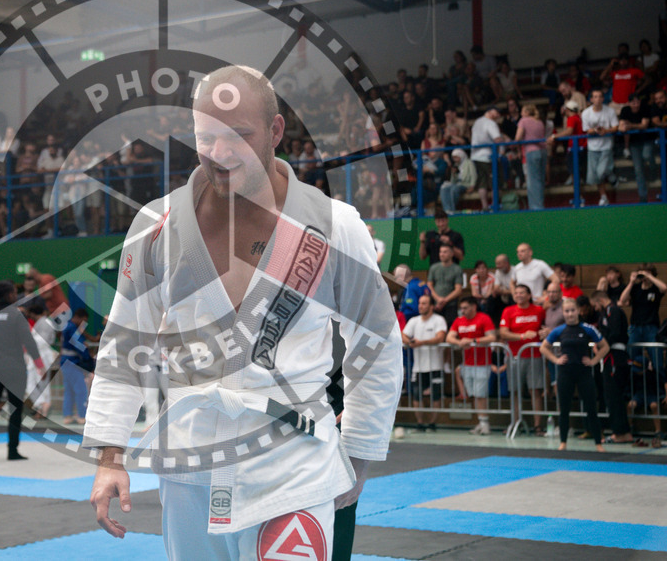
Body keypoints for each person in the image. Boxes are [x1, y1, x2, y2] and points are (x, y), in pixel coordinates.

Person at [83, 65, 401, 559]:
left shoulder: (334, 226)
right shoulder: (156, 226)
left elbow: (377, 342)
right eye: (205, 137)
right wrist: (110, 454)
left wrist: (359, 451)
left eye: (238, 135)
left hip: (293, 461)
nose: (219, 152)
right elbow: (125, 342)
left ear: (275, 131)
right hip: (188, 464)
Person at [0, 280, 43, 461]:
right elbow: (28, 340)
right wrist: (39, 363)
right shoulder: (15, 315)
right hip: (14, 371)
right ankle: (12, 451)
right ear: (10, 294)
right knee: (15, 409)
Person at [540, 298, 609, 452]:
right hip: (565, 373)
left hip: (584, 373)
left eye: (572, 310)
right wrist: (556, 360)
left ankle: (598, 443)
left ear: (578, 311)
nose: (570, 314)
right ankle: (563, 442)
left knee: (591, 409)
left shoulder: (587, 328)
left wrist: (594, 361)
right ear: (563, 313)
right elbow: (543, 348)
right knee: (564, 409)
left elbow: (605, 346)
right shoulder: (559, 330)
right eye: (567, 311)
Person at [497, 284, 547, 435]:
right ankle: (515, 423)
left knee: (535, 391)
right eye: (516, 293)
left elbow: (545, 327)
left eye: (522, 293)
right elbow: (503, 333)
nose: (518, 295)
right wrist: (522, 336)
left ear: (529, 295)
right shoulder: (508, 311)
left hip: (534, 356)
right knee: (515, 391)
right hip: (514, 356)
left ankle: (538, 426)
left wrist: (545, 332)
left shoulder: (539, 310)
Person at [446, 296, 497, 435]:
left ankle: (485, 424)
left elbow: (492, 337)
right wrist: (460, 342)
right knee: (474, 395)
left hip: (482, 363)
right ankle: (481, 422)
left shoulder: (484, 318)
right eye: (461, 308)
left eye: (465, 308)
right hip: (467, 363)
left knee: (481, 395)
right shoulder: (459, 320)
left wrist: (474, 340)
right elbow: (449, 337)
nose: (462, 311)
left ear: (474, 307)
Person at [590, 290, 634, 444]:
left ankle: (621, 432)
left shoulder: (613, 311)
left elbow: (614, 333)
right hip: (610, 356)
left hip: (616, 357)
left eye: (595, 305)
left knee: (614, 396)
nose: (595, 309)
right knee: (612, 396)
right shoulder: (606, 313)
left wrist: (601, 345)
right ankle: (621, 431)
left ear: (599, 301)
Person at [402, 294, 447, 431]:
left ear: (431, 306)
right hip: (418, 368)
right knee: (416, 396)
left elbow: (440, 338)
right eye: (420, 303)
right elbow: (403, 335)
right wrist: (410, 342)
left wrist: (421, 343)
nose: (420, 306)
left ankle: (432, 424)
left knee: (436, 396)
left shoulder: (438, 320)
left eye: (424, 303)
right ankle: (420, 423)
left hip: (435, 366)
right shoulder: (414, 321)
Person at [618, 264, 667, 370]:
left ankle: (659, 380)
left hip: (651, 327)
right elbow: (622, 299)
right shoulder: (636, 288)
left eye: (647, 273)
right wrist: (631, 282)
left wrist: (649, 276)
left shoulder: (655, 289)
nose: (644, 276)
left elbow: (664, 288)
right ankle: (629, 379)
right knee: (629, 357)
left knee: (657, 359)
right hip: (635, 327)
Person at [581, 89, 619, 205]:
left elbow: (615, 127)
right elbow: (586, 130)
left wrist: (605, 131)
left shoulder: (610, 111)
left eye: (600, 96)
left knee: (601, 172)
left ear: (603, 98)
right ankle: (603, 196)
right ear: (591, 99)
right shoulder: (585, 113)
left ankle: (611, 176)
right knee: (596, 176)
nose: (597, 99)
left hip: (606, 146)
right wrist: (596, 130)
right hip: (592, 148)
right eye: (595, 97)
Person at [469, 106, 509, 211]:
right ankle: (495, 206)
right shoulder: (490, 123)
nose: (498, 115)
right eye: (497, 112)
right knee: (495, 182)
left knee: (482, 182)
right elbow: (497, 139)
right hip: (488, 156)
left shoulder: (477, 122)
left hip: (476, 156)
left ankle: (485, 207)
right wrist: (505, 140)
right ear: (490, 111)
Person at [618, 95, 654, 202]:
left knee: (646, 156)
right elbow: (622, 126)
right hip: (634, 143)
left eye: (637, 102)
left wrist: (631, 126)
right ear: (629, 103)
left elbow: (644, 125)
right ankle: (643, 196)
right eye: (633, 103)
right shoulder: (625, 110)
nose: (636, 105)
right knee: (638, 170)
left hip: (647, 140)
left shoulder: (645, 108)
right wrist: (624, 127)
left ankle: (653, 169)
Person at [61, 308, 93, 425]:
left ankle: (67, 415)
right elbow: (79, 345)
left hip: (66, 361)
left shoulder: (67, 326)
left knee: (69, 390)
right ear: (79, 317)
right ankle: (82, 416)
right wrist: (88, 358)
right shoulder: (72, 328)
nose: (83, 324)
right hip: (72, 362)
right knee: (81, 390)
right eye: (84, 321)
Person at [515, 104, 547, 210]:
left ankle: (536, 207)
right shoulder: (539, 121)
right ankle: (539, 204)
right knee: (540, 179)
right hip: (543, 150)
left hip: (531, 151)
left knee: (533, 180)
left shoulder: (523, 121)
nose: (521, 114)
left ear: (527, 112)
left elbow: (518, 137)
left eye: (522, 111)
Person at [428, 244, 464, 325]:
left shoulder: (457, 269)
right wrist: (438, 299)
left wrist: (444, 301)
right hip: (436, 304)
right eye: (440, 252)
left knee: (451, 326)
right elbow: (429, 285)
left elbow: (458, 290)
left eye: (445, 252)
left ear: (451, 254)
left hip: (451, 305)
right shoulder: (433, 268)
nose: (441, 254)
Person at [439, 149, 476, 214]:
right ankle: (447, 209)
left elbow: (473, 175)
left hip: (466, 184)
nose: (455, 159)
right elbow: (453, 181)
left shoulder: (469, 163)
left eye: (456, 157)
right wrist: (454, 174)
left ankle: (452, 210)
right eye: (453, 158)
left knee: (454, 188)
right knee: (444, 188)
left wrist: (472, 186)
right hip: (457, 184)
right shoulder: (456, 165)